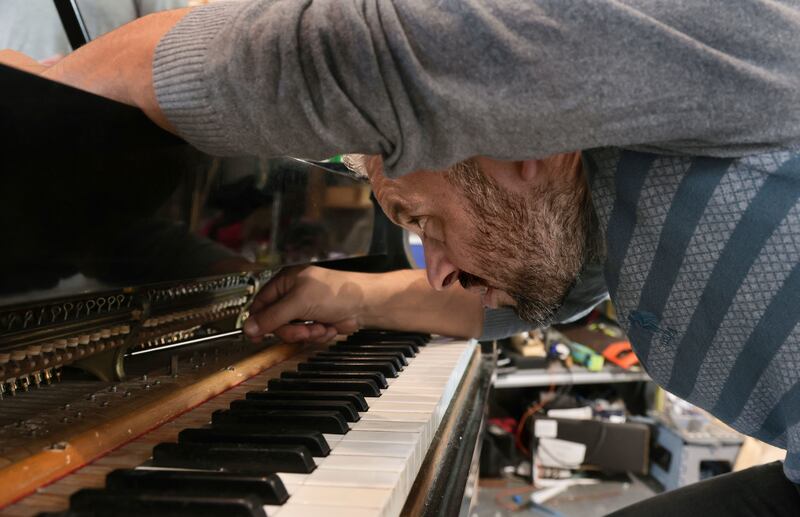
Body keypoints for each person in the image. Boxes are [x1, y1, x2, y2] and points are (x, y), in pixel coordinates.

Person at [2, 1, 799, 514]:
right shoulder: (588, 193)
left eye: (422, 218)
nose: (435, 265)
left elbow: (343, 51)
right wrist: (350, 298)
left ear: (517, 139)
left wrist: (47, 102)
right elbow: (517, 298)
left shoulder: (670, 27)